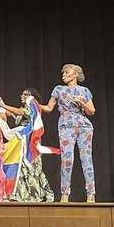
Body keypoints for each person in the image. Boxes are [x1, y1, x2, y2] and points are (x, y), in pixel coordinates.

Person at [40, 64, 96, 202]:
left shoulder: (84, 91)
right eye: (62, 72)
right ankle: (65, 194)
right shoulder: (59, 89)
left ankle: (91, 193)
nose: (63, 74)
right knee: (67, 160)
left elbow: (92, 111)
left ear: (76, 74)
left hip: (84, 126)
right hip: (66, 126)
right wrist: (34, 103)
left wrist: (82, 102)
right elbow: (48, 108)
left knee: (86, 159)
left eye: (67, 71)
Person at [3, 88, 55, 203]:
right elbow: (17, 114)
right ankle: (21, 194)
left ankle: (35, 194)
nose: (22, 95)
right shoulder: (27, 107)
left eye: (25, 94)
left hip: (30, 141)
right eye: (22, 93)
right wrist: (3, 108)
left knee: (31, 166)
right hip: (22, 140)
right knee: (21, 166)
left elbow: (21, 112)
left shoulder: (33, 106)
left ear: (32, 97)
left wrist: (4, 105)